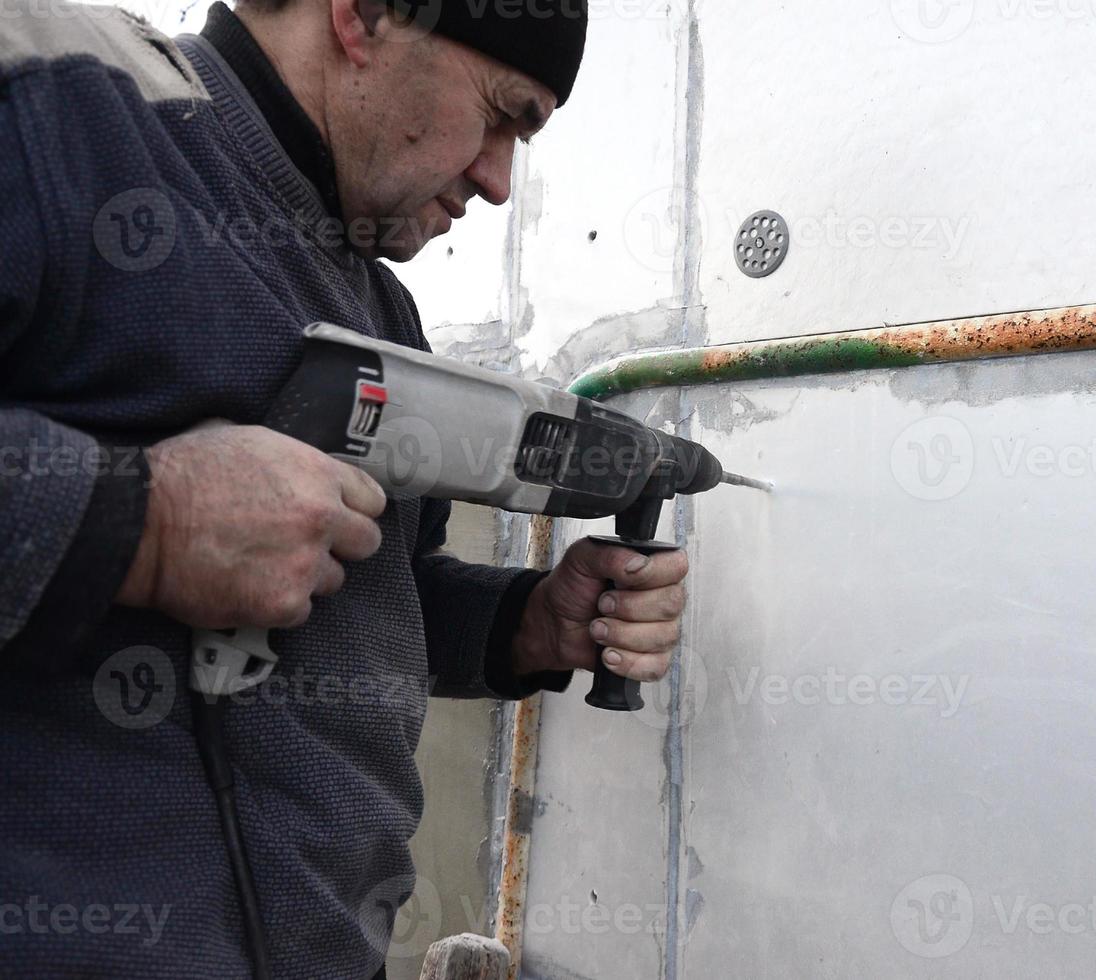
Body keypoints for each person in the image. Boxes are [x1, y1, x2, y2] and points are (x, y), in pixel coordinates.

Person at [0, 0, 689, 974]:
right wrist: (143, 523)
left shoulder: (381, 308)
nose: (499, 179)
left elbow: (374, 597)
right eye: (502, 113)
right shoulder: (62, 106)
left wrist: (530, 625)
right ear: (361, 17)